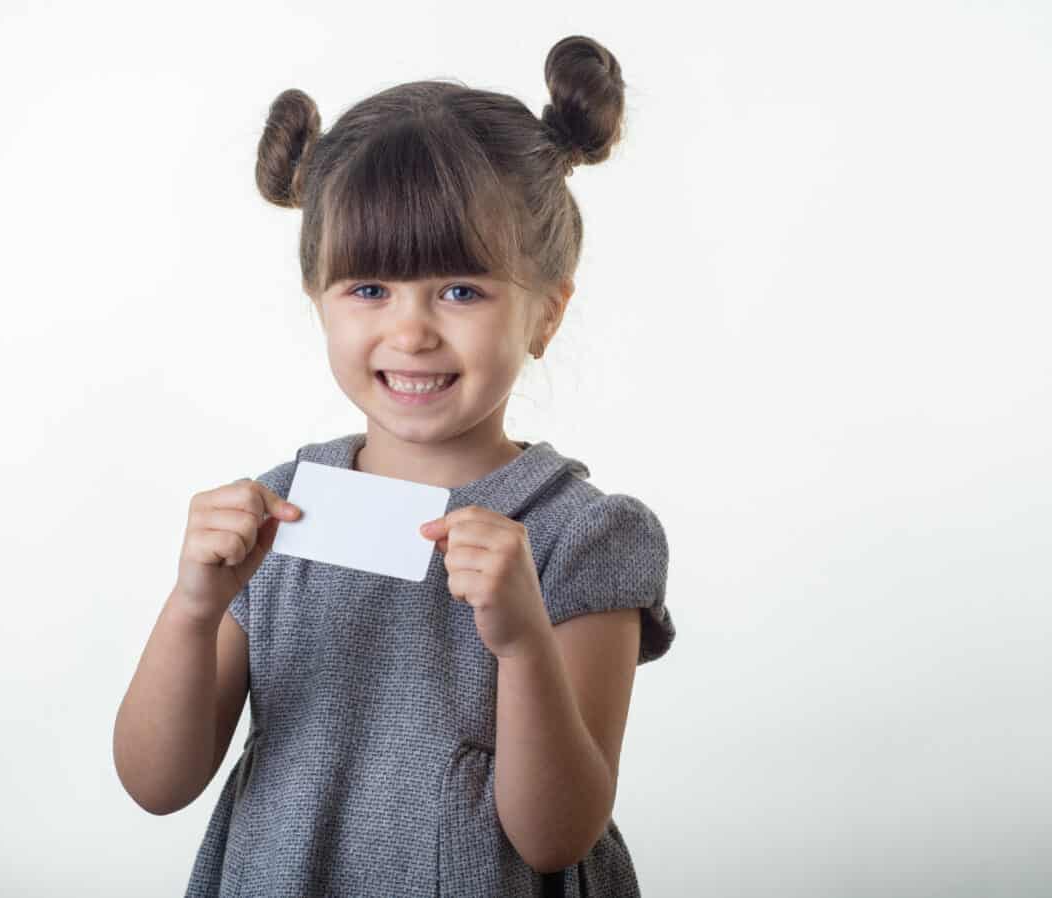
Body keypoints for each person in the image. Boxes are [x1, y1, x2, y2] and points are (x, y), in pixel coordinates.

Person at [113, 33, 676, 898]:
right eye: (370, 289)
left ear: (546, 315)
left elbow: (557, 835)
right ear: (319, 303)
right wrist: (193, 609)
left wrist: (523, 643)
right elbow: (157, 783)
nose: (411, 331)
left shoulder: (581, 534)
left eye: (461, 290)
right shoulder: (280, 516)